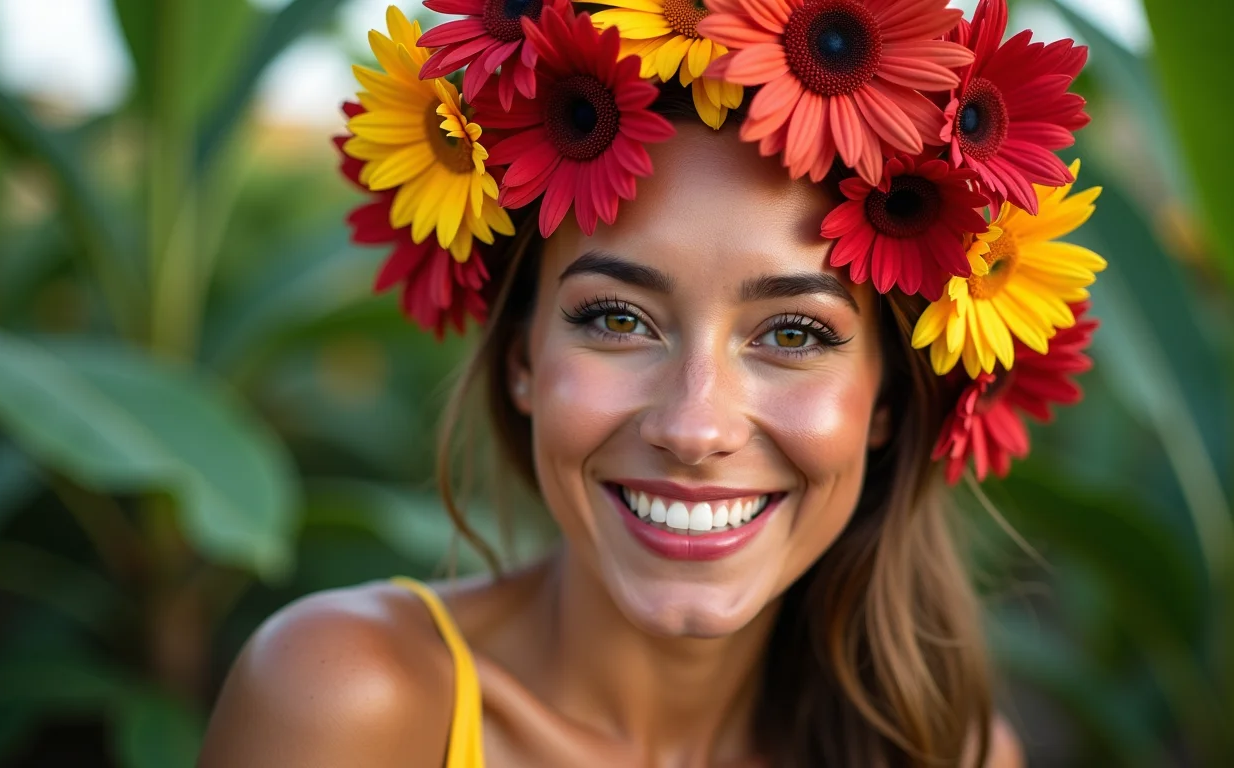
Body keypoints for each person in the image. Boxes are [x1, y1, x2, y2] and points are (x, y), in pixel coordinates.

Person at [201, 0, 1103, 764]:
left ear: (887, 403)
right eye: (617, 319)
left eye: (794, 332)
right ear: (521, 361)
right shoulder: (347, 705)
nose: (693, 424)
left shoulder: (943, 749)